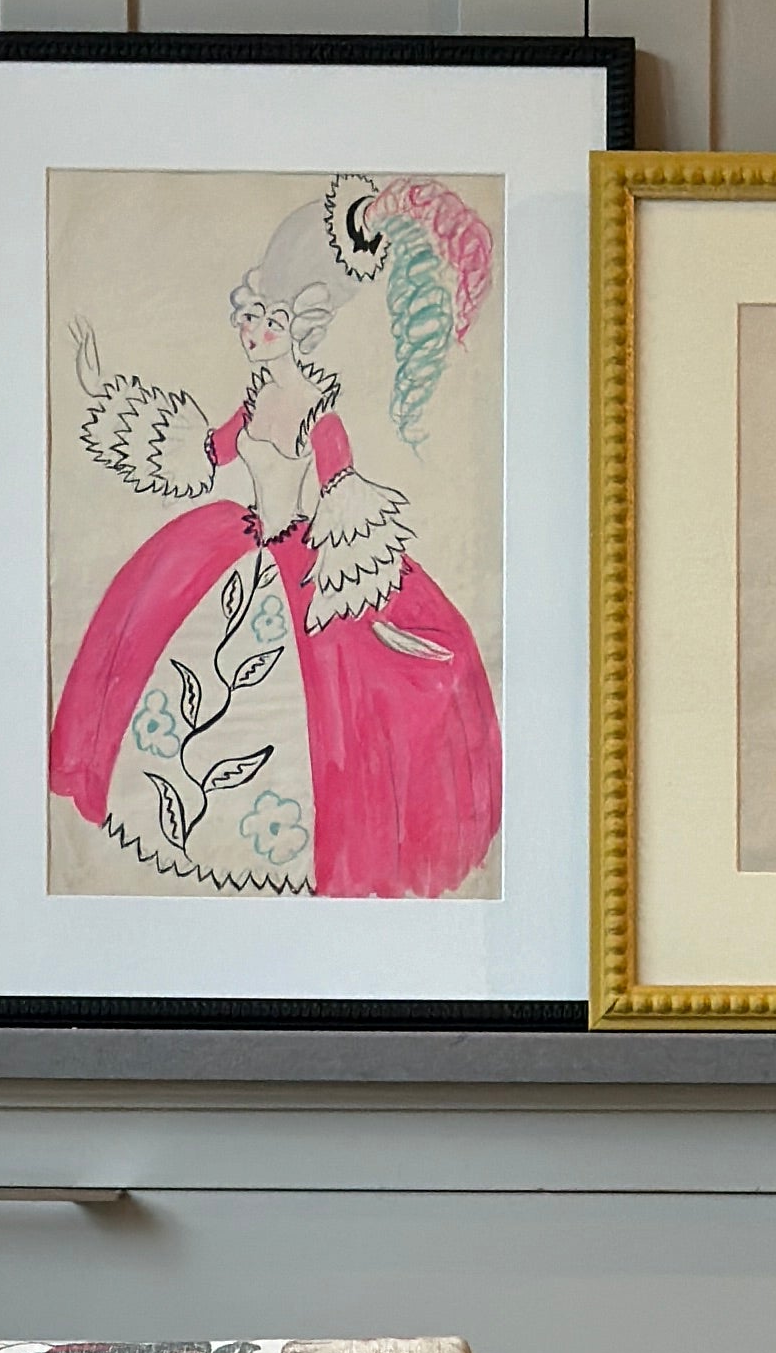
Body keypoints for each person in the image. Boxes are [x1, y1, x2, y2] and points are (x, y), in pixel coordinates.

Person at [48, 176, 501, 899]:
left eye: (268, 320)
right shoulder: (253, 398)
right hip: (237, 545)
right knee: (151, 642)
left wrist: (339, 556)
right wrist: (106, 387)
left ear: (303, 326)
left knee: (326, 715)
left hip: (302, 567)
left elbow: (342, 493)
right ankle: (175, 813)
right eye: (250, 316)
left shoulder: (323, 415)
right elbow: (210, 453)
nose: (250, 330)